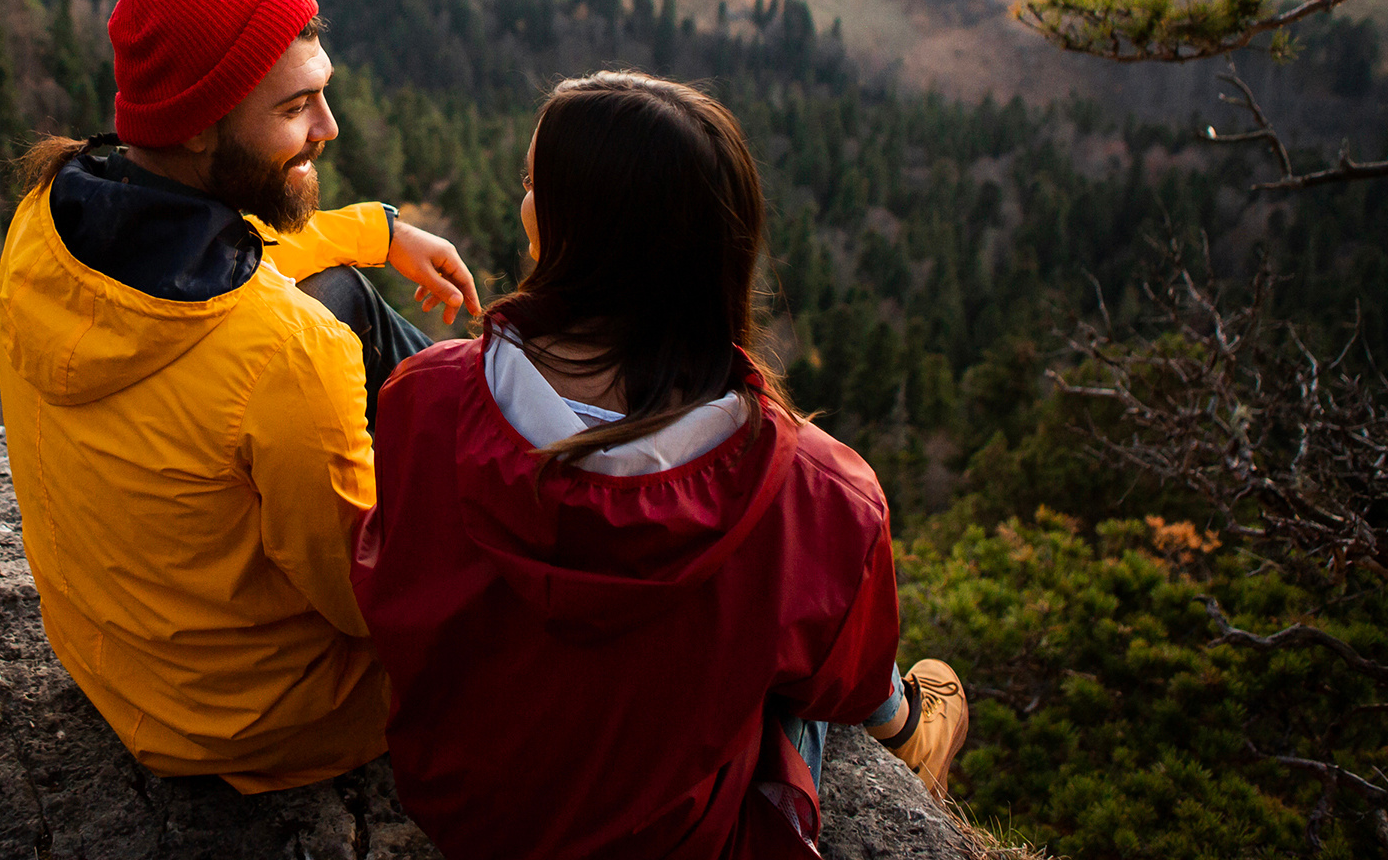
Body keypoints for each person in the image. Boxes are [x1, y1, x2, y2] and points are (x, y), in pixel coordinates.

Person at [352, 71, 969, 859]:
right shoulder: (819, 490)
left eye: (535, 185)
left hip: (462, 810)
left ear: (571, 233)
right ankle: (911, 729)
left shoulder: (426, 399)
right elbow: (836, 686)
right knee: (793, 620)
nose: (525, 202)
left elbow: (390, 583)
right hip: (672, 842)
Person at [0, 0, 483, 793]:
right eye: (297, 106)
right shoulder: (285, 354)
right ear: (196, 123)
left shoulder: (48, 220)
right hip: (264, 720)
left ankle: (492, 410)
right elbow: (365, 600)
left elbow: (225, 249)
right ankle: (512, 435)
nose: (329, 128)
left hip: (119, 664)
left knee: (345, 293)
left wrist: (378, 230)